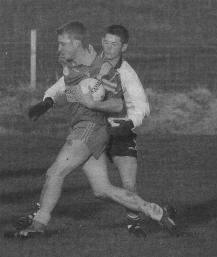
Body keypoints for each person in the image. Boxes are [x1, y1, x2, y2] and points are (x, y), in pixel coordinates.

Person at [14, 21, 177, 238]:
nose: (59, 49)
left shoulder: (104, 70)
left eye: (63, 44)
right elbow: (74, 94)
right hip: (93, 129)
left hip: (93, 128)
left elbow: (118, 104)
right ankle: (156, 212)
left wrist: (94, 104)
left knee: (55, 172)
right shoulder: (72, 65)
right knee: (102, 190)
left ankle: (38, 225)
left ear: (76, 43)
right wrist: (49, 102)